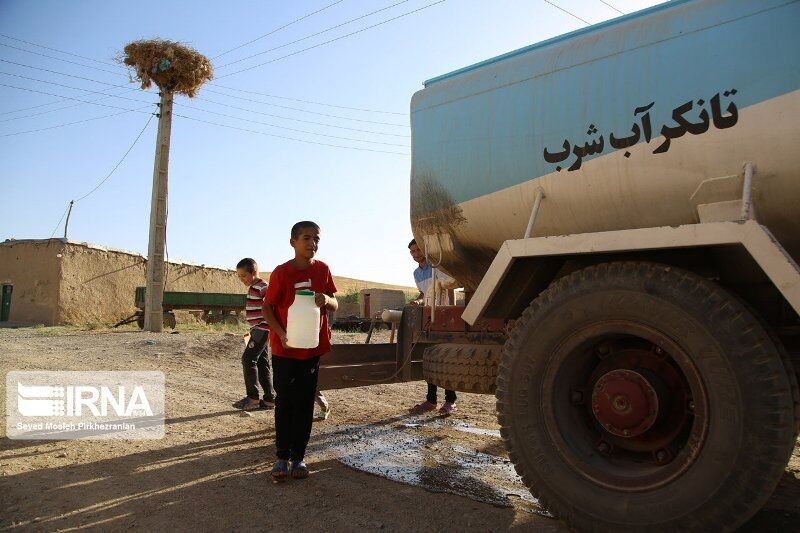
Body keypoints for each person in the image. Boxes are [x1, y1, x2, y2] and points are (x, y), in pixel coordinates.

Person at [263, 221, 338, 481]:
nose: (312, 243)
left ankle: (299, 458)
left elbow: (335, 302)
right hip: (285, 349)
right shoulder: (282, 273)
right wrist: (282, 334)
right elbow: (267, 308)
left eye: (316, 239)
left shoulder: (323, 270)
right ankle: (281, 457)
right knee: (285, 400)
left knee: (305, 402)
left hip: (311, 349)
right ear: (293, 241)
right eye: (306, 238)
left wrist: (326, 299)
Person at [407, 238, 458, 416]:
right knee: (429, 357)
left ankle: (450, 401)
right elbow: (424, 293)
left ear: (424, 250)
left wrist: (449, 312)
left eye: (417, 250)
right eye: (412, 252)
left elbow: (449, 288)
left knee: (446, 358)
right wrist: (418, 301)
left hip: (443, 315)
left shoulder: (437, 266)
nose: (415, 254)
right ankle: (431, 400)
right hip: (429, 316)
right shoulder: (416, 273)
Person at [232, 258, 275, 411]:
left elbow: (271, 306)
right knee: (262, 364)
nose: (241, 279)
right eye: (239, 276)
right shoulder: (254, 287)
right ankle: (269, 400)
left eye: (243, 275)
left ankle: (253, 398)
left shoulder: (263, 287)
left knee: (248, 359)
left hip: (262, 330)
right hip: (255, 330)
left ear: (254, 272)